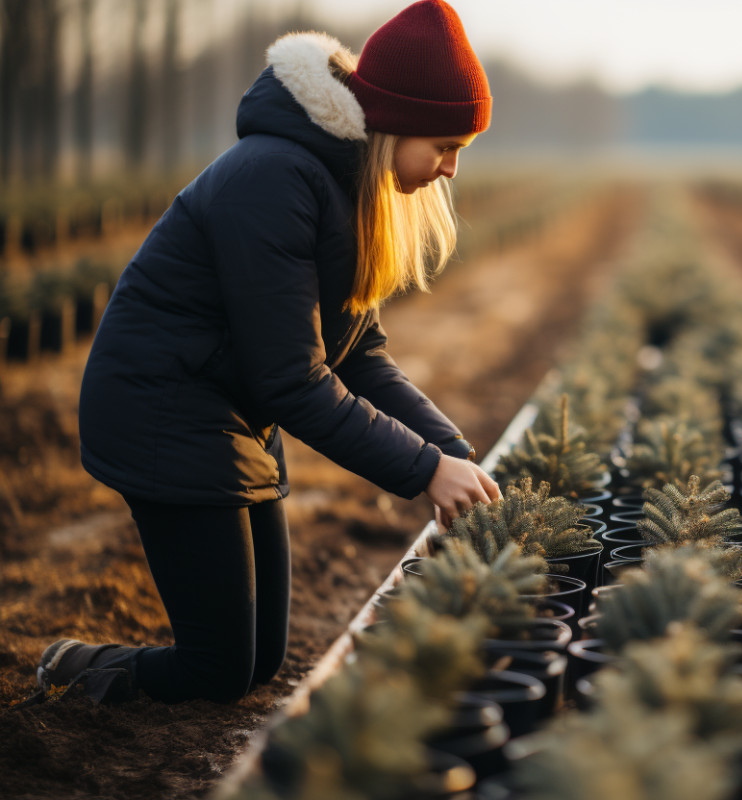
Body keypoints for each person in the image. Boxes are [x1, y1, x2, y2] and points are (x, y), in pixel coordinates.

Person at [36, 0, 501, 705]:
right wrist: (422, 469)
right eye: (443, 145)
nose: (451, 169)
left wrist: (452, 451)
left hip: (227, 413)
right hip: (162, 407)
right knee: (217, 669)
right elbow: (293, 381)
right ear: (393, 123)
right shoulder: (276, 179)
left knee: (262, 659)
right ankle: (72, 670)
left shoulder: (351, 187)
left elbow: (359, 354)